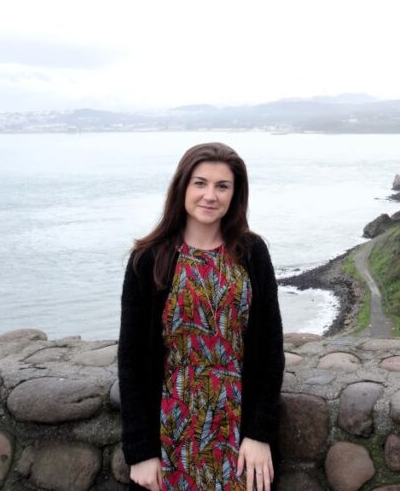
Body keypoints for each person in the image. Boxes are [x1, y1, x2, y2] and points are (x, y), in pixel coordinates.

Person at [118, 142, 284, 491]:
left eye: (222, 186)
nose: (210, 195)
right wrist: (141, 451)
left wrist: (259, 432)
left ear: (235, 194)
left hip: (238, 438)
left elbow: (271, 348)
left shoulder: (252, 253)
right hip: (168, 435)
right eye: (200, 183)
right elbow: (131, 359)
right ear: (182, 187)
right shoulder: (147, 260)